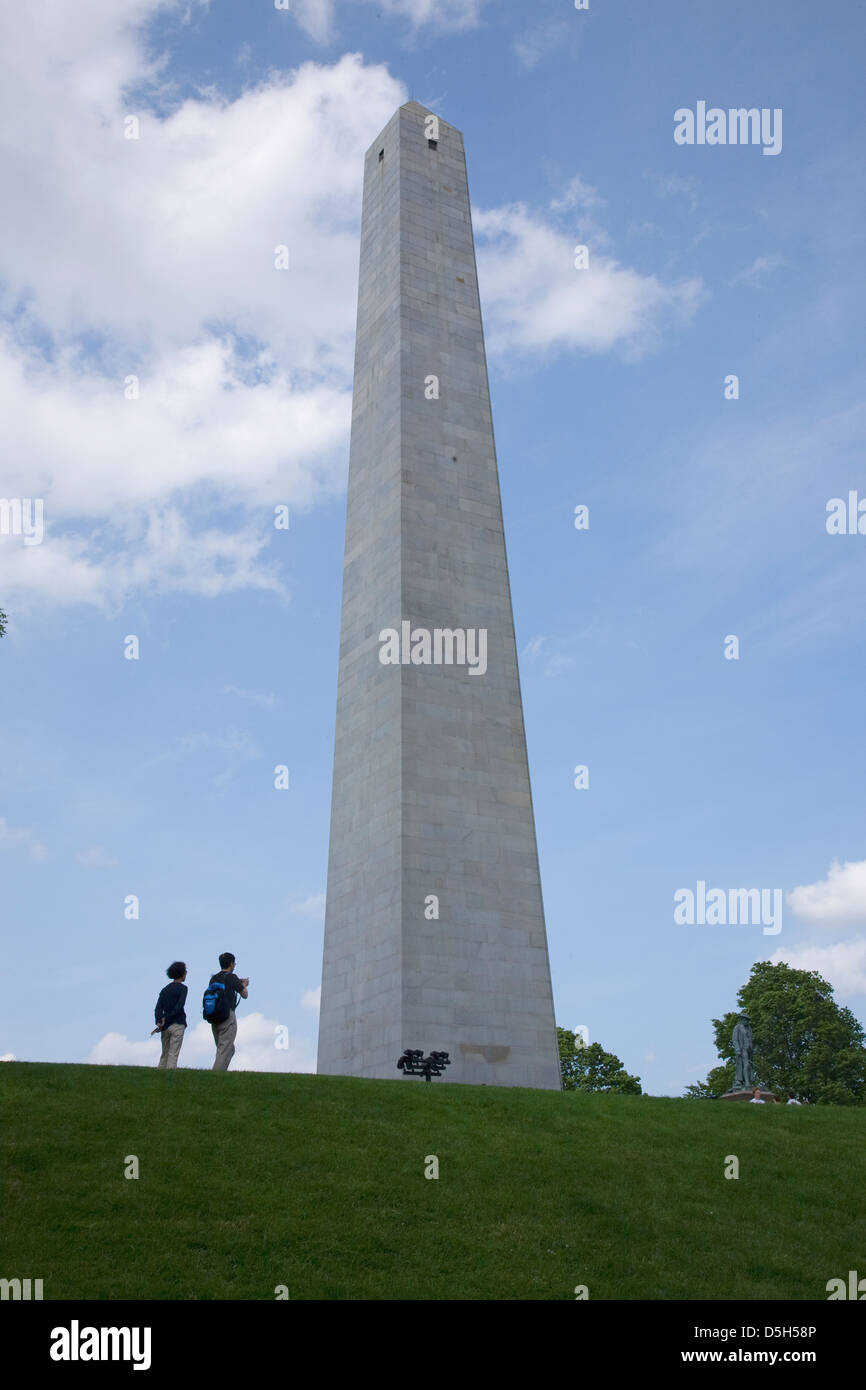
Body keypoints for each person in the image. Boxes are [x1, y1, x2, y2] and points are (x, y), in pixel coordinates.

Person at [209, 952, 249, 1071]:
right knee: (225, 1049)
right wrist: (244, 985)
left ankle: (221, 1073)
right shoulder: (232, 977)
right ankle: (216, 1076)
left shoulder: (213, 978)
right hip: (227, 1016)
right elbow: (245, 994)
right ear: (231, 964)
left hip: (214, 1016)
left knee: (227, 1049)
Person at [153, 961, 188, 1069]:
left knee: (165, 1054)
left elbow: (158, 1008)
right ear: (182, 974)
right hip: (178, 1024)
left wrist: (159, 1021)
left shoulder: (165, 989)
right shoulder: (183, 988)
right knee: (173, 1053)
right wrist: (167, 1018)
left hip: (165, 1026)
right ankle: (170, 1076)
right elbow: (179, 1006)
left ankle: (159, 1075)